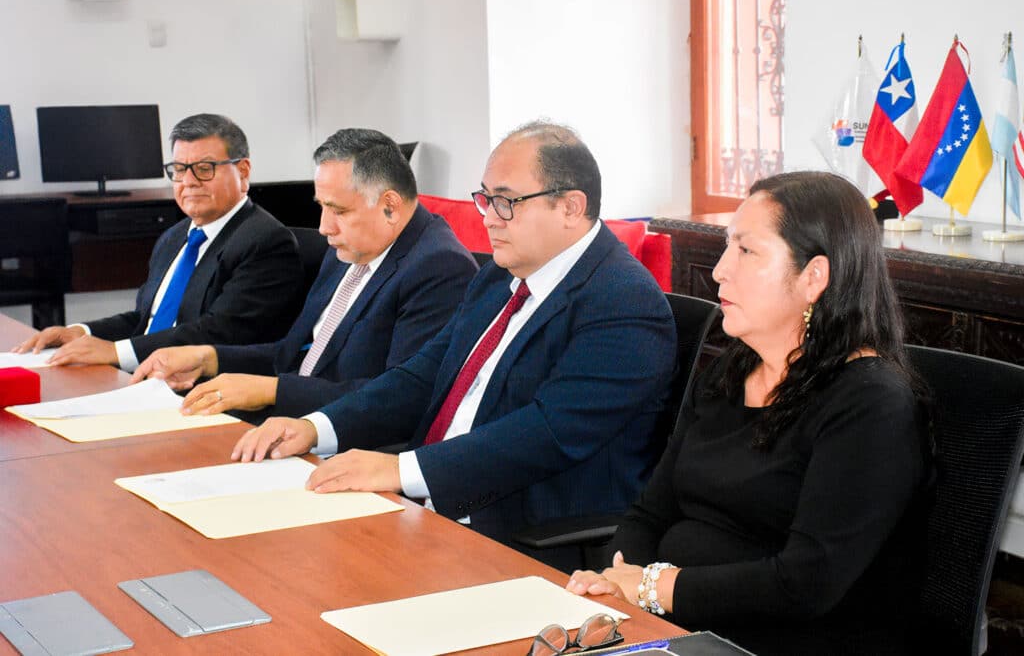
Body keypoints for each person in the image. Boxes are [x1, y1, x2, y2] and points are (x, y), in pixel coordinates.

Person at [230, 121, 677, 569]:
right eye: (485, 199)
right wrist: (317, 426)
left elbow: (549, 433)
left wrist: (400, 470)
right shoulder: (500, 276)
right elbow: (423, 375)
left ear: (570, 207)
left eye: (506, 202)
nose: (488, 218)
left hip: (522, 537)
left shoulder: (623, 301)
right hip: (431, 507)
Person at [565, 171, 933, 655]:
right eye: (726, 247)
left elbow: (807, 582)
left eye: (746, 251)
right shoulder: (729, 374)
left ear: (813, 277)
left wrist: (653, 588)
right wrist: (616, 581)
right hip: (674, 632)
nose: (719, 270)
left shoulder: (872, 402)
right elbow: (651, 512)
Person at [131, 128, 478, 421]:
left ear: (389, 205)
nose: (324, 228)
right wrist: (208, 357)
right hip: (290, 422)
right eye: (322, 207)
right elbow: (293, 354)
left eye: (338, 210)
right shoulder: (347, 248)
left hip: (347, 447)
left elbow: (398, 399)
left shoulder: (439, 269)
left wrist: (270, 390)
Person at [13, 113, 303, 370]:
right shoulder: (175, 236)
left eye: (204, 168)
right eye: (178, 169)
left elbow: (219, 332)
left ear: (242, 171)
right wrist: (83, 332)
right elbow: (145, 320)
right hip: (148, 375)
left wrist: (115, 352)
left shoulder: (266, 242)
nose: (188, 182)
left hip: (201, 388)